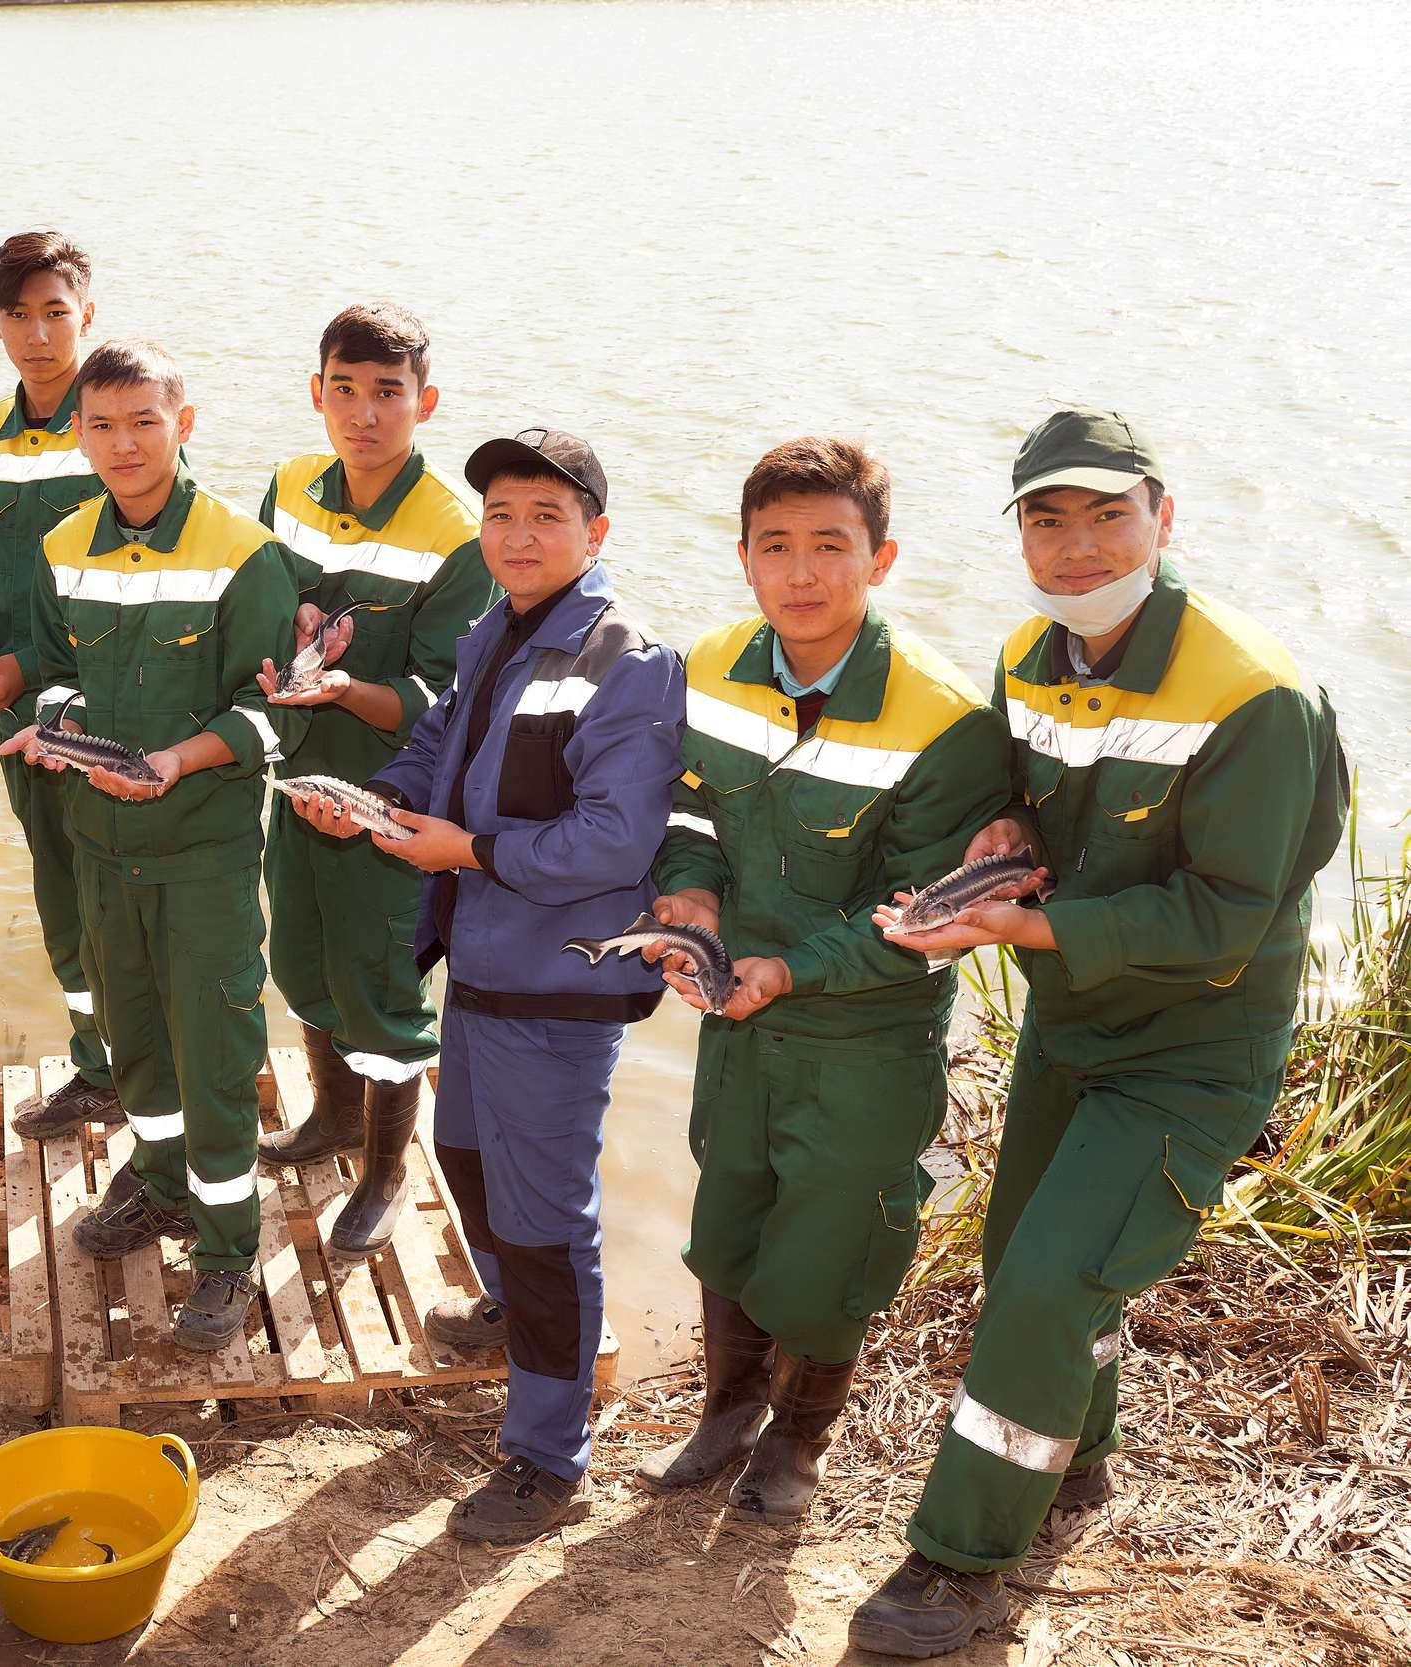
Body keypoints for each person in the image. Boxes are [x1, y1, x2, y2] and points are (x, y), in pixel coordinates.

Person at [846, 411, 1347, 1657]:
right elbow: (1034, 801)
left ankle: (960, 1559)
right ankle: (1078, 1456)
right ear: (1019, 532)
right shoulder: (1031, 654)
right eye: (1046, 517)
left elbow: (1225, 915)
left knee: (1050, 1279)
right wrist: (1004, 834)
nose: (1076, 546)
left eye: (1107, 515)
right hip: (1071, 1026)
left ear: (1162, 518)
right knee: (1026, 1252)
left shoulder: (1254, 692)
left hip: (1192, 1047)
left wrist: (1020, 928)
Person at [292, 428, 684, 1542]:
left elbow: (614, 840)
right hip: (481, 963)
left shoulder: (629, 661)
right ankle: (511, 1309)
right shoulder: (491, 631)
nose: (518, 536)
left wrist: (466, 851)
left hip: (560, 982)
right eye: (500, 515)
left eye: (546, 516)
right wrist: (370, 803)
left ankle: (548, 1456)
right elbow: (433, 747)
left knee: (547, 1218)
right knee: (464, 1155)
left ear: (595, 534)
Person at [637, 438, 1008, 1523]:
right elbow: (690, 810)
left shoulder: (945, 716)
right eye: (776, 545)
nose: (802, 573)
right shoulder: (712, 664)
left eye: (831, 546)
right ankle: (725, 1412)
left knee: (833, 1245)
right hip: (738, 1019)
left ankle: (800, 1438)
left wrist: (792, 968)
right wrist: (691, 892)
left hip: (864, 1038)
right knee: (727, 1218)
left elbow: (925, 915)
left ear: (881, 558)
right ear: (744, 557)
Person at [0, 338, 302, 1352]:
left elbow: (270, 713)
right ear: (77, 433)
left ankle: (227, 1248)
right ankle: (164, 1184)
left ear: (184, 423)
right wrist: (60, 727)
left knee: (213, 1053)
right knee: (134, 1043)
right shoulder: (63, 545)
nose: (123, 443)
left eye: (144, 421)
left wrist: (175, 760)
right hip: (99, 844)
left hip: (203, 853)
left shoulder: (242, 551)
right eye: (102, 424)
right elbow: (53, 670)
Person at [250, 302, 494, 1257]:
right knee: (303, 953)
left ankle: (387, 1172)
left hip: (388, 800)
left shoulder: (457, 534)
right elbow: (260, 604)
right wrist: (287, 636)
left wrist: (346, 688)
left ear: (424, 403)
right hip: (296, 780)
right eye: (344, 390)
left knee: (382, 980)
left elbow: (440, 700)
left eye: (388, 393)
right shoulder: (287, 487)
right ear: (317, 393)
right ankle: (332, 1117)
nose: (364, 414)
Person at [0, 232, 118, 1139]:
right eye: (19, 314)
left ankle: (155, 1074)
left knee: (122, 902)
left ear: (88, 314)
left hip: (116, 717)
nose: (39, 335)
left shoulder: (121, 426)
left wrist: (31, 664)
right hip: (21, 724)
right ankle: (99, 1068)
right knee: (61, 900)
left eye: (56, 312)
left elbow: (157, 581)